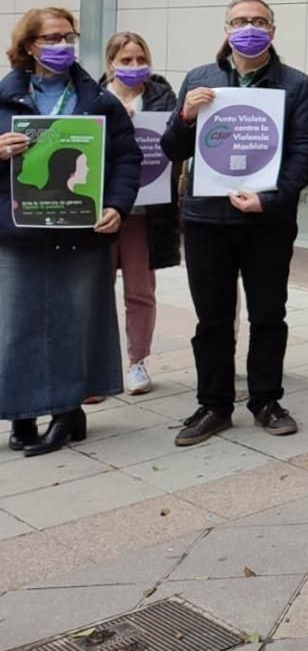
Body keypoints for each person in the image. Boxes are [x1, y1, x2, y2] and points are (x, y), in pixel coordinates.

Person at [162, 0, 308, 447]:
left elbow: (306, 150)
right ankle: (214, 405)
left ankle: (266, 401)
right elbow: (173, 149)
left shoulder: (296, 85)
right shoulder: (200, 79)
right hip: (206, 219)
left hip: (266, 222)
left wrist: (269, 199)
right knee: (211, 319)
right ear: (226, 28)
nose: (249, 28)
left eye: (259, 21)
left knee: (268, 315)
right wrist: (185, 116)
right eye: (240, 21)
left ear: (273, 30)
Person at [0, 8, 141, 455]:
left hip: (82, 230)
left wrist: (117, 206)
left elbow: (127, 158)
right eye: (51, 38)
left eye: (68, 36)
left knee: (72, 324)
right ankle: (22, 415)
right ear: (28, 45)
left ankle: (65, 413)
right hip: (18, 233)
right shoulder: (3, 98)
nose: (62, 45)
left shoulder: (98, 99)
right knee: (16, 325)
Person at [99, 32, 181, 398]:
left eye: (140, 59)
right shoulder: (93, 98)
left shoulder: (163, 98)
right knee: (95, 291)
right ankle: (95, 366)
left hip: (146, 213)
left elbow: (178, 143)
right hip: (100, 211)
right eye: (126, 60)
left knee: (140, 291)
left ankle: (138, 362)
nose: (134, 66)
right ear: (110, 64)